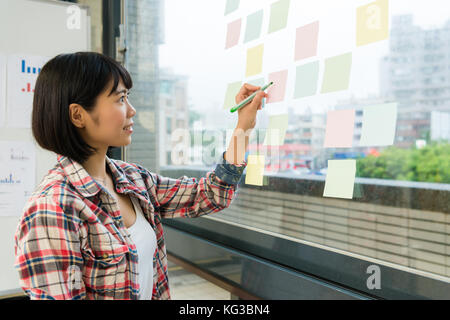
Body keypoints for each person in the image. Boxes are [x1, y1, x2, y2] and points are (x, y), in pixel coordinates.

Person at [13, 52, 266, 300]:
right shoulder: (52, 207)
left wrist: (244, 126)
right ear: (78, 115)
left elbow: (210, 194)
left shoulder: (133, 179)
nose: (132, 110)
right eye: (120, 98)